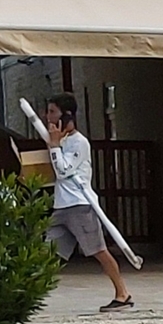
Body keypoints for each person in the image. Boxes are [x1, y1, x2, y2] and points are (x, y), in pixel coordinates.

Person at [42, 93, 132, 311]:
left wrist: (53, 146)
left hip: (80, 205)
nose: (47, 117)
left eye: (52, 111)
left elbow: (64, 170)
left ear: (66, 115)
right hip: (61, 205)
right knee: (45, 252)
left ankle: (122, 293)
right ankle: (28, 295)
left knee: (98, 250)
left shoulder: (79, 143)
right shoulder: (60, 140)